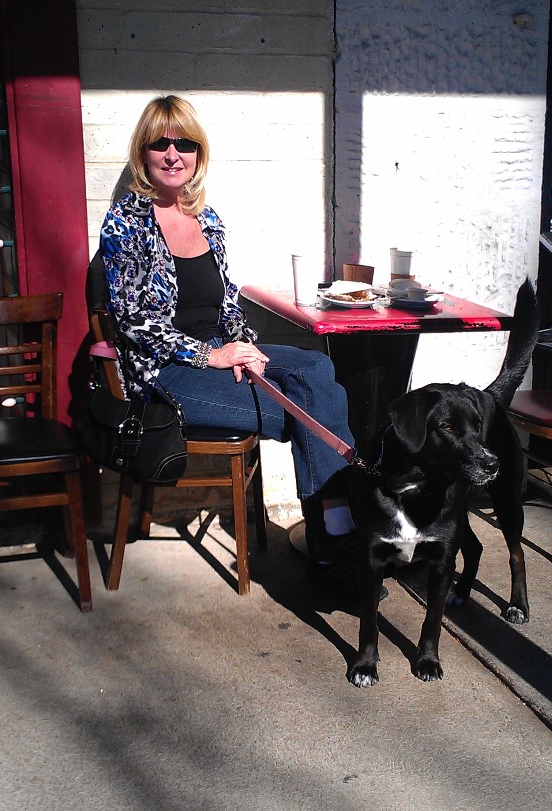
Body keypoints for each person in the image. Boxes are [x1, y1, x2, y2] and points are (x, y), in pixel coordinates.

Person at [96, 94, 356, 572]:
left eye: (185, 144)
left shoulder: (207, 219)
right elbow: (133, 322)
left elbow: (226, 301)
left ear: (198, 153)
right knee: (314, 412)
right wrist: (210, 357)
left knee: (316, 368)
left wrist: (244, 347)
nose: (173, 154)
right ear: (142, 152)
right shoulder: (125, 223)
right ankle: (335, 532)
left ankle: (330, 528)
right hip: (166, 373)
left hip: (221, 350)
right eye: (160, 143)